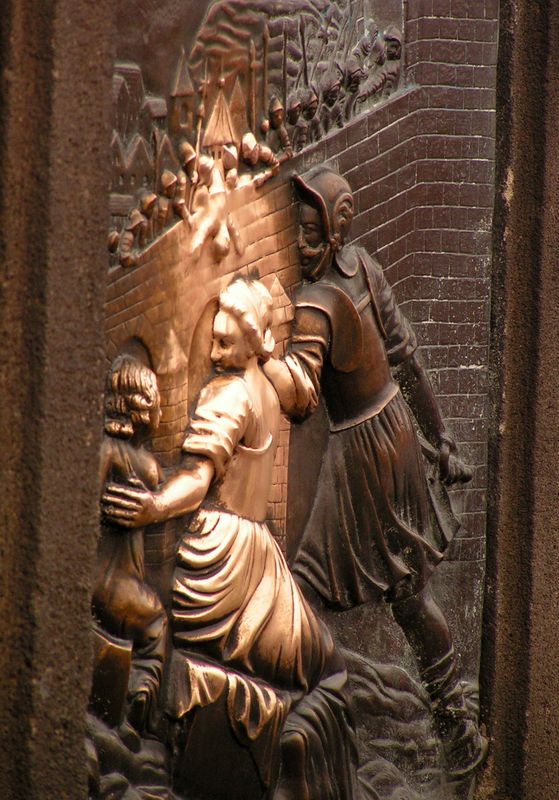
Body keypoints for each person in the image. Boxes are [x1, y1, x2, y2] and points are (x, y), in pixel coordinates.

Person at [263, 165, 487, 780]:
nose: (300, 246)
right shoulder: (364, 266)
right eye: (296, 234)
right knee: (411, 595)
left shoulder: (313, 308)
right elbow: (406, 357)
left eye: (311, 235)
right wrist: (439, 438)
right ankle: (455, 723)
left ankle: (314, 722)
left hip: (362, 456)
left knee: (304, 588)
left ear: (335, 233)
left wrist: (262, 359)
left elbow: (302, 395)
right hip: (399, 435)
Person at [103, 279, 357, 800]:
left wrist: (152, 507)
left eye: (223, 343)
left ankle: (280, 757)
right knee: (326, 667)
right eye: (214, 341)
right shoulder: (269, 381)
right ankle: (287, 758)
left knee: (324, 664)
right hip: (250, 554)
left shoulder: (232, 392)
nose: (213, 353)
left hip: (230, 554)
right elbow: (300, 388)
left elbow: (197, 480)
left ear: (253, 342)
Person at [93, 355, 167, 731]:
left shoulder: (103, 450)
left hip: (94, 577)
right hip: (120, 586)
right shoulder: (148, 466)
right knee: (155, 624)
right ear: (143, 410)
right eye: (157, 403)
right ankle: (141, 697)